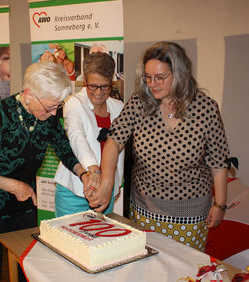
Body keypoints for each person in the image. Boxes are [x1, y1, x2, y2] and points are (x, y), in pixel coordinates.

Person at [87, 41, 230, 252]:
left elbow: (218, 162)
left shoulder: (205, 108)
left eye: (160, 78)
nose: (152, 84)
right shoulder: (139, 102)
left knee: (185, 271)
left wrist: (220, 204)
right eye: (148, 77)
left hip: (190, 215)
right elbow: (114, 140)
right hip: (145, 211)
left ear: (179, 74)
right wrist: (107, 182)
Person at [0, 61, 95, 282]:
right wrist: (12, 185)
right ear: (29, 94)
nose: (53, 114)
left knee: (28, 267)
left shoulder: (46, 116)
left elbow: (63, 147)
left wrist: (84, 174)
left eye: (57, 107)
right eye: (50, 107)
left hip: (22, 206)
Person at [54, 52, 124, 217]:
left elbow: (119, 152)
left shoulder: (119, 107)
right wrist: (94, 172)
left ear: (112, 83)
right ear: (85, 81)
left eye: (105, 86)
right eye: (93, 86)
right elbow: (77, 137)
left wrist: (115, 183)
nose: (98, 92)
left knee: (101, 240)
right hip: (74, 193)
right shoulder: (74, 103)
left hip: (105, 191)